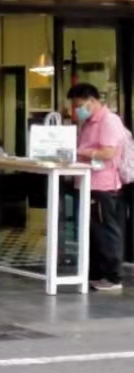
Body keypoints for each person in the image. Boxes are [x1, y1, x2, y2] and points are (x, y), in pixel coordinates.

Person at [68, 83, 128, 293]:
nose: (77, 110)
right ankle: (96, 274)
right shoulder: (88, 122)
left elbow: (109, 152)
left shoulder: (108, 121)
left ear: (92, 101)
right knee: (92, 233)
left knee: (106, 232)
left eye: (80, 105)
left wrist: (82, 153)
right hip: (87, 184)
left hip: (103, 186)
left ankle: (112, 276)